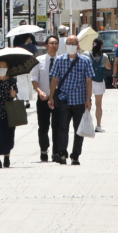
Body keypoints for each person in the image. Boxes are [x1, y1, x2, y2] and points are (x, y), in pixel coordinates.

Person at [47, 33, 93, 165]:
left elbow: (89, 80)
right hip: (63, 99)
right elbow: (54, 79)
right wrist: (51, 97)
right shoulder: (59, 60)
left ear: (78, 46)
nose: (71, 46)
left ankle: (75, 155)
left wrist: (89, 99)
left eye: (74, 44)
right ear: (65, 45)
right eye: (69, 43)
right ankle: (62, 153)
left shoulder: (85, 61)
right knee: (63, 127)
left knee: (79, 129)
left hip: (79, 100)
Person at [30, 35, 61, 161]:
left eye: (56, 43)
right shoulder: (38, 60)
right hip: (43, 97)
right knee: (43, 126)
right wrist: (39, 91)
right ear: (46, 45)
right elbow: (34, 79)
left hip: (58, 97)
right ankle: (44, 149)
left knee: (57, 126)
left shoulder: (62, 60)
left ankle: (56, 152)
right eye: (52, 43)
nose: (54, 46)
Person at [89, 38, 110, 127]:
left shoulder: (87, 54)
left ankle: (87, 124)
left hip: (88, 81)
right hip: (99, 81)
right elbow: (109, 67)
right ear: (101, 46)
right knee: (98, 105)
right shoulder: (104, 56)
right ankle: (98, 125)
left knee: (87, 102)